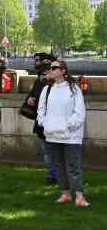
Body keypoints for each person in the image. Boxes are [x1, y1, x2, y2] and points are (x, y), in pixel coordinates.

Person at [37, 60, 89, 208]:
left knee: (73, 166)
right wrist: (44, 122)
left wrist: (68, 125)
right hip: (52, 134)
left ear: (63, 71)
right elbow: (41, 110)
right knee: (59, 165)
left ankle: (79, 196)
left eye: (55, 68)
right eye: (50, 68)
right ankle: (65, 194)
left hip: (71, 136)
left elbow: (79, 112)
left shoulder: (74, 89)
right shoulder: (47, 90)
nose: (51, 70)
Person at [24, 53, 58, 184]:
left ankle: (57, 174)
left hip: (54, 121)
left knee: (54, 150)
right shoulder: (40, 80)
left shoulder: (59, 83)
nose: (44, 75)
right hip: (42, 121)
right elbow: (33, 94)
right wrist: (30, 99)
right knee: (47, 150)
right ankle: (52, 174)